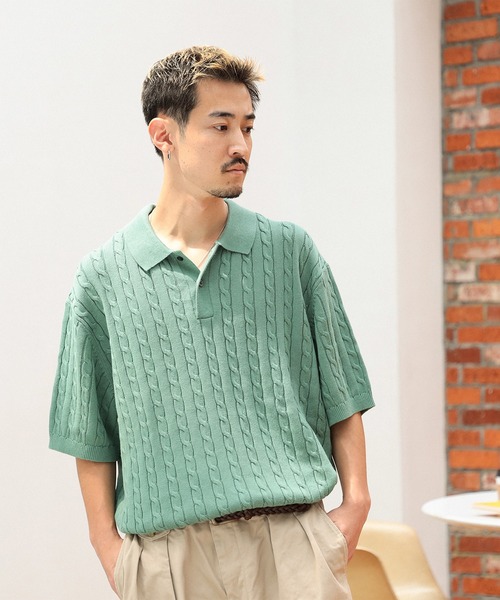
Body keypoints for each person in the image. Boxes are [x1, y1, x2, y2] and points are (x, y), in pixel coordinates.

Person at [49, 46, 374, 600]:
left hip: (293, 547)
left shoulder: (290, 252)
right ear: (164, 135)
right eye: (220, 126)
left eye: (248, 127)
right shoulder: (101, 278)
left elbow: (342, 391)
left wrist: (356, 502)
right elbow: (89, 430)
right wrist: (110, 550)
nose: (240, 145)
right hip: (169, 561)